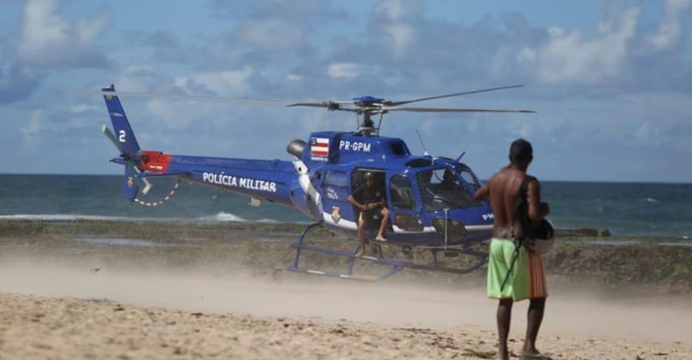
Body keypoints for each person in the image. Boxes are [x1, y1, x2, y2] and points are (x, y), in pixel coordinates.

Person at [473, 139, 550, 360]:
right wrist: (546, 208)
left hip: (497, 243)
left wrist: (499, 181)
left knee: (504, 298)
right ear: (530, 159)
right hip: (518, 244)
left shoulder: (497, 178)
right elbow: (535, 215)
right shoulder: (529, 182)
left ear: (509, 157)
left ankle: (502, 351)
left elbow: (478, 195)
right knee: (538, 295)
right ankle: (528, 347)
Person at [348, 172, 390, 256]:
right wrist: (361, 206)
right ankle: (363, 249)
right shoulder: (362, 188)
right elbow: (350, 198)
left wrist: (376, 204)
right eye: (368, 180)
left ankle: (379, 234)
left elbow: (384, 201)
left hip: (376, 208)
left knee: (387, 213)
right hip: (366, 210)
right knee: (360, 227)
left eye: (371, 180)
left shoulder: (378, 188)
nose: (370, 182)